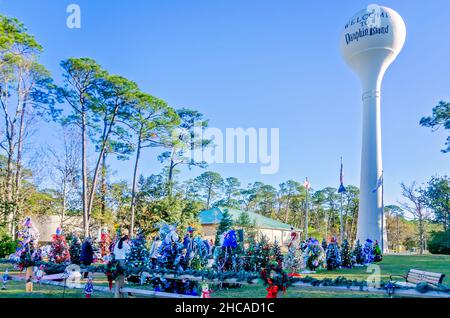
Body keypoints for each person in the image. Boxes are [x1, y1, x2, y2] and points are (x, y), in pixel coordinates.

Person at [113, 232, 130, 298]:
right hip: (122, 260)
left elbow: (114, 252)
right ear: (126, 240)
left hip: (116, 260)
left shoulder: (117, 243)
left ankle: (118, 289)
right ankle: (121, 289)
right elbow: (129, 252)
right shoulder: (126, 244)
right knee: (122, 275)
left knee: (118, 275)